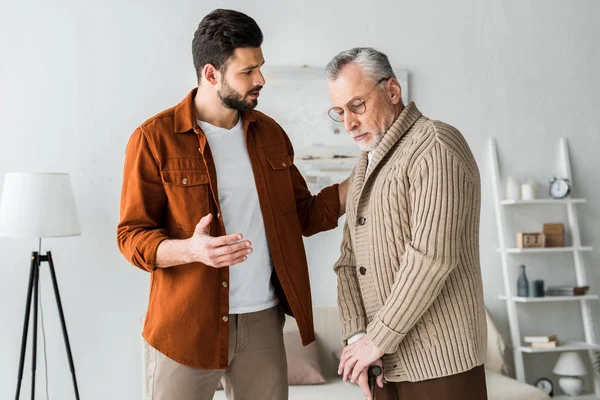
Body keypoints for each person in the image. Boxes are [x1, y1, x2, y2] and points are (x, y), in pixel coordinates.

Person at [117, 9, 348, 400]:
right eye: (247, 71)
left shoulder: (270, 134)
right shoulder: (154, 139)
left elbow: (305, 215)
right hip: (186, 326)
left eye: (260, 67)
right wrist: (192, 249)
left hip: (261, 323)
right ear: (211, 74)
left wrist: (363, 178)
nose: (260, 80)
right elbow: (130, 236)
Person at [327, 47, 487, 400]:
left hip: (440, 363)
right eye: (339, 112)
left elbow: (432, 258)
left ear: (392, 91)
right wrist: (358, 341)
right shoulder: (364, 166)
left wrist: (377, 339)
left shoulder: (436, 145)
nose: (348, 124)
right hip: (381, 365)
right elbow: (347, 262)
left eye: (357, 105)